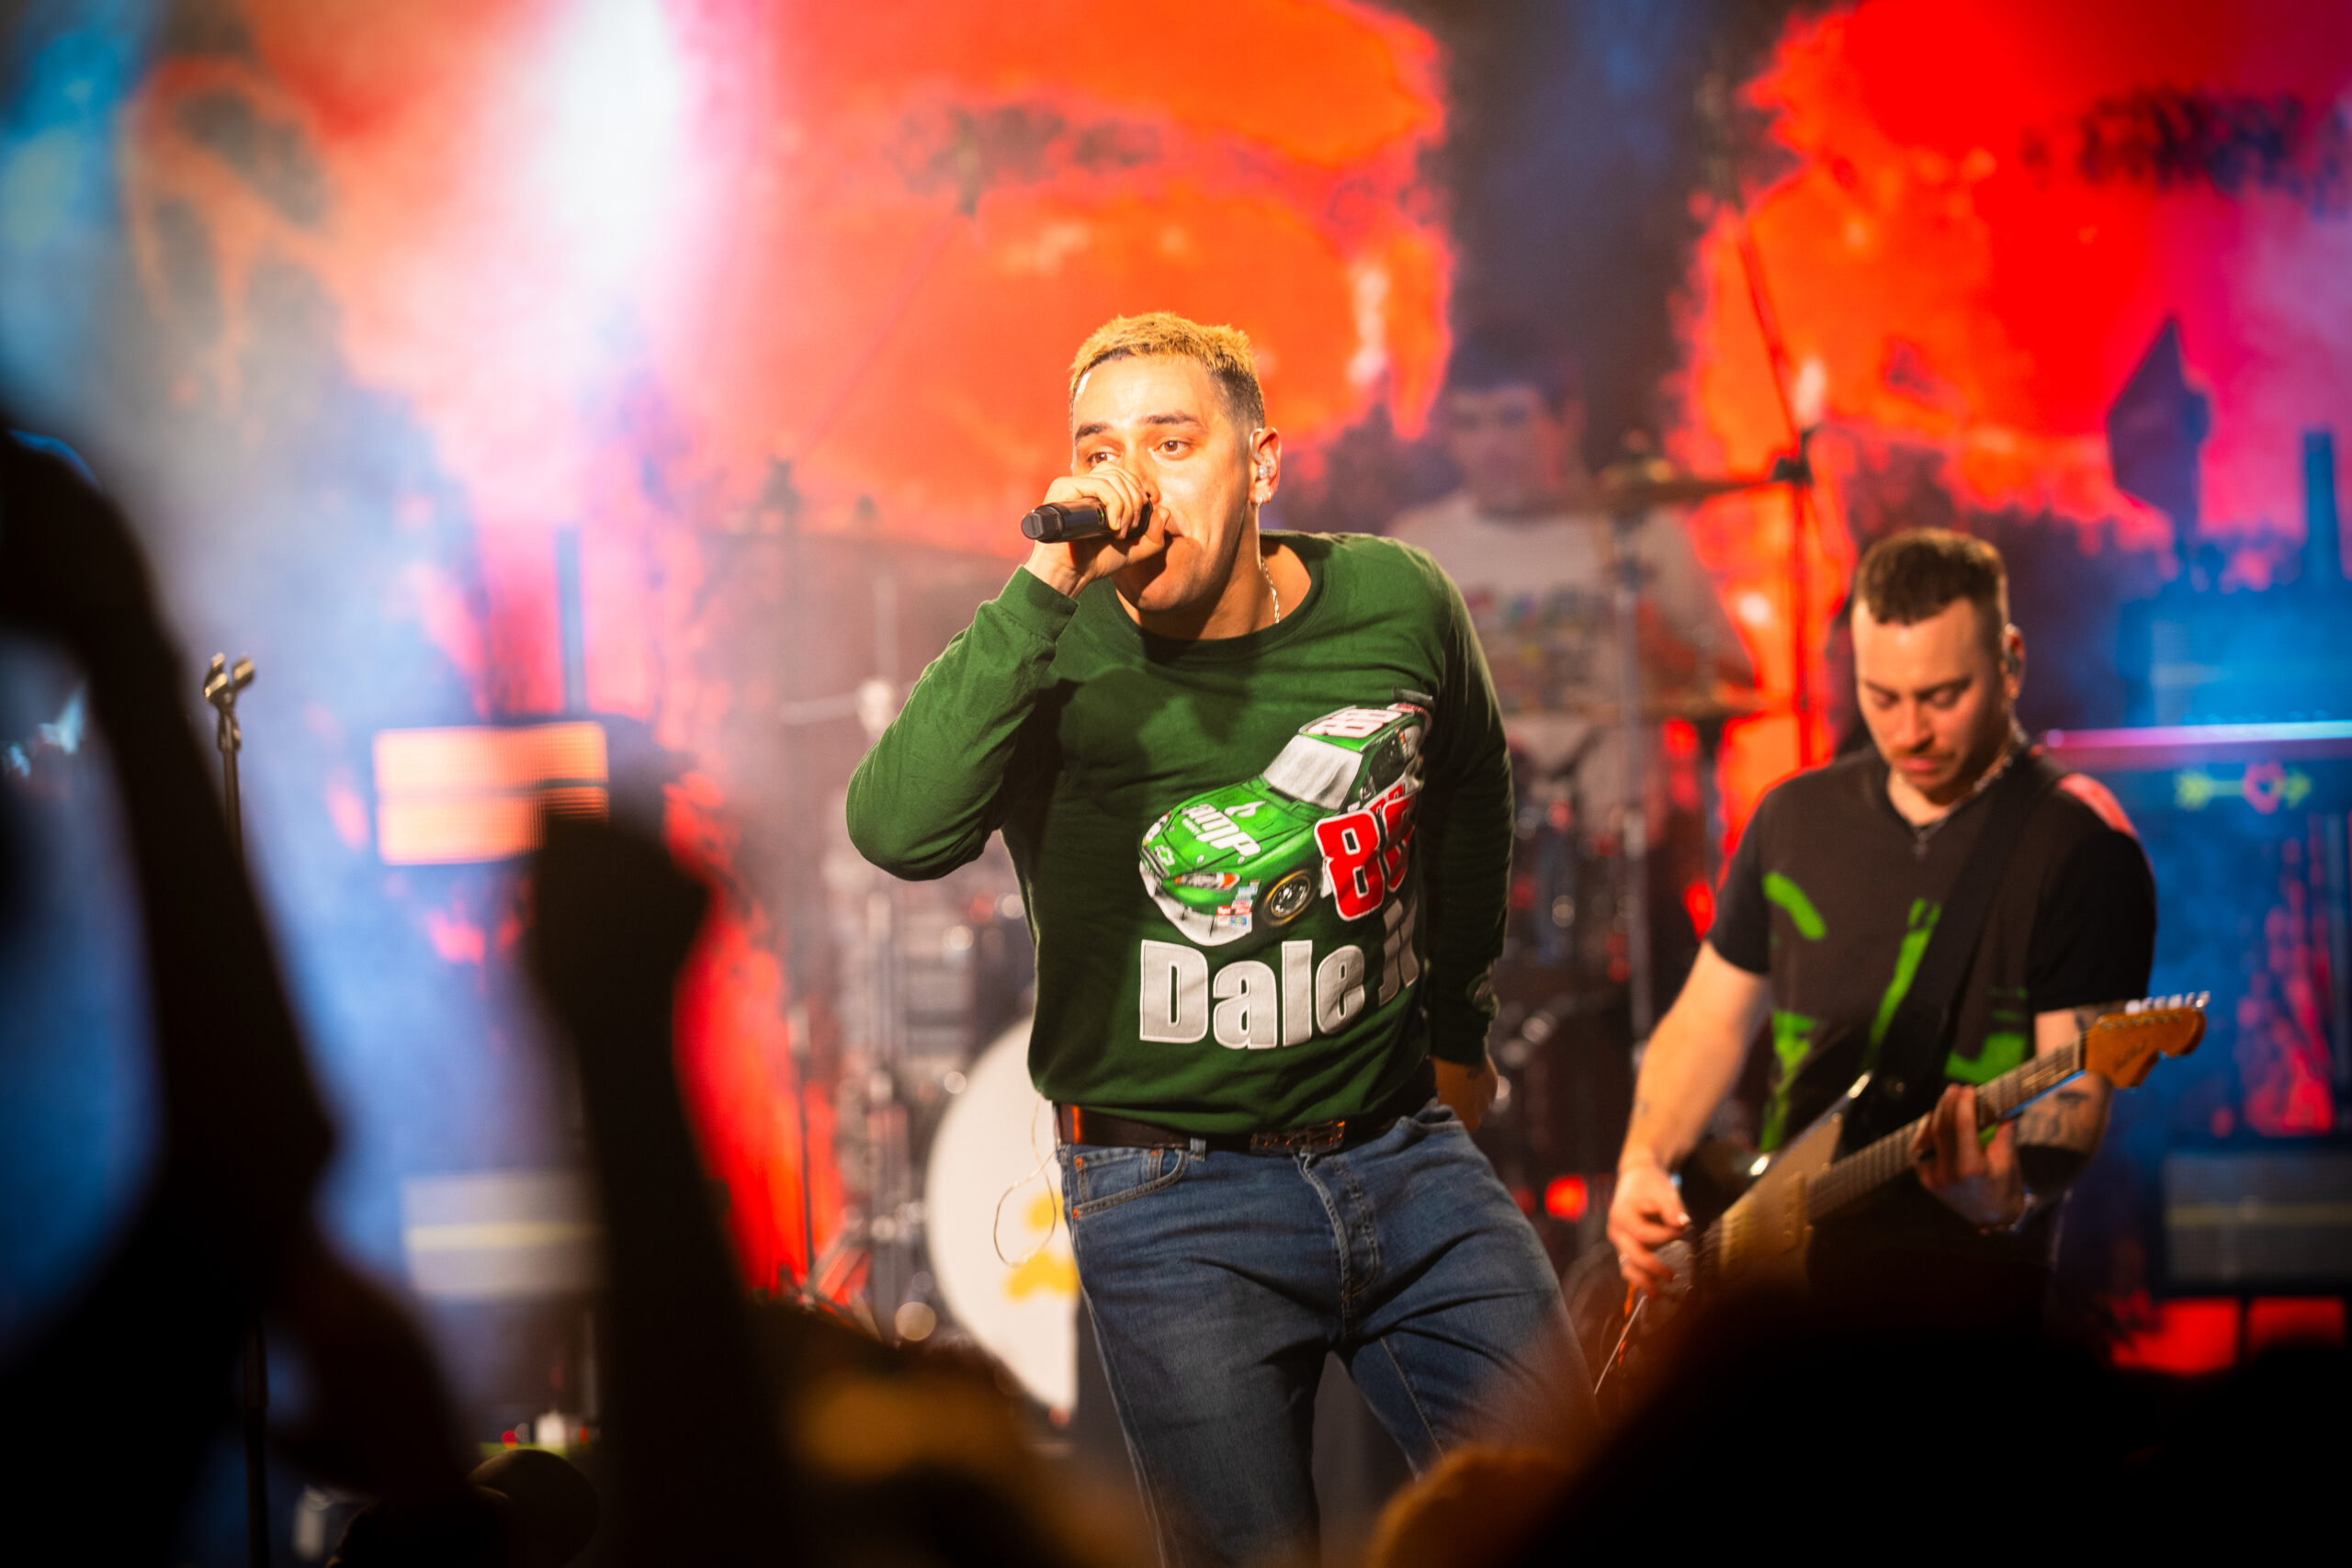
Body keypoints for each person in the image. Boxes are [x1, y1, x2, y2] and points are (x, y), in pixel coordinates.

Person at [847, 312, 1590, 1566]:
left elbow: (1471, 790)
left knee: (1571, 1492)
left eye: (1171, 442)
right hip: (1170, 1196)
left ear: (1260, 463)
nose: (1131, 481)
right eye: (1100, 448)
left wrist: (1458, 1031)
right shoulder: (1053, 651)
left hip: (1402, 1151)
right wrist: (1043, 583)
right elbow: (897, 829)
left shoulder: (1395, 601)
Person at [1606, 528, 2157, 1330]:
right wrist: (1643, 1162)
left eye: (1942, 695)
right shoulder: (1793, 817)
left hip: (1960, 1301)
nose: (1909, 732)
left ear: (2009, 662)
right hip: (1783, 1288)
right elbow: (1709, 1021)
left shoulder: (2079, 844)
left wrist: (2006, 1190)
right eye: (1882, 696)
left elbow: (2071, 1093)